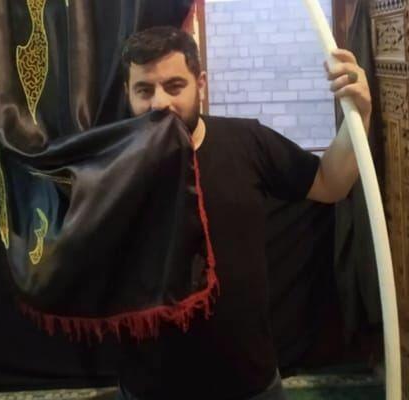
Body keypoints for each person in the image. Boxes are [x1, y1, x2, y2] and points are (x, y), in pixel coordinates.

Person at [116, 26, 372, 400]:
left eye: (174, 86)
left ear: (200, 84)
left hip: (250, 381)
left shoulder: (247, 142)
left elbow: (330, 183)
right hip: (150, 386)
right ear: (127, 93)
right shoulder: (110, 165)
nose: (159, 103)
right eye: (144, 90)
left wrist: (358, 115)